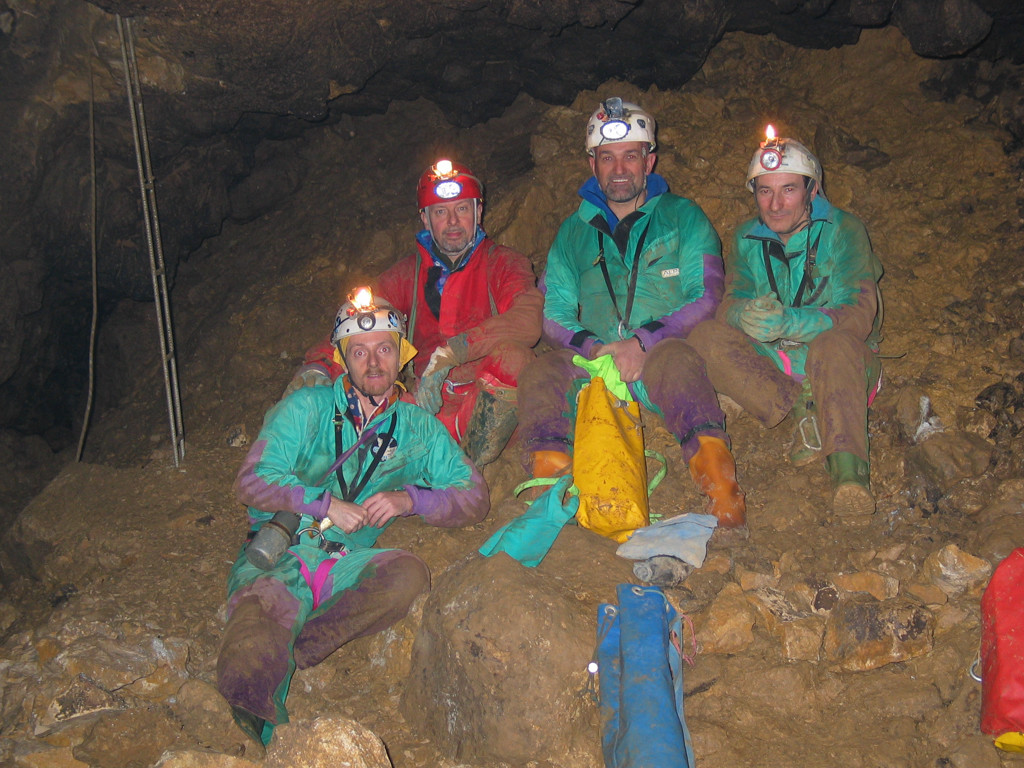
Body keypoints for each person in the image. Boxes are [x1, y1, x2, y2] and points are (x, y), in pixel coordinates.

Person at [218, 289, 489, 745]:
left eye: (384, 349)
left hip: (345, 564)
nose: (374, 362)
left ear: (400, 355)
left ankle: (300, 644)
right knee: (247, 664)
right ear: (344, 360)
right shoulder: (307, 409)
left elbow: (474, 497)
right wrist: (324, 504)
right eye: (359, 353)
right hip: (282, 553)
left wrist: (411, 500)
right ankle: (264, 682)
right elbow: (250, 479)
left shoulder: (417, 427)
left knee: (408, 574)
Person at [517, 97, 746, 528]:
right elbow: (554, 311)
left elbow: (707, 295)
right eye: (607, 158)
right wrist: (596, 346)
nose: (619, 169)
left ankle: (721, 492)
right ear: (593, 164)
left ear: (649, 161)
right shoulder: (572, 233)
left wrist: (645, 341)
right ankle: (550, 498)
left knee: (678, 363)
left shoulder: (684, 217)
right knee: (541, 374)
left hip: (662, 352)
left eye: (630, 156)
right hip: (597, 361)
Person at [290, 159, 543, 466]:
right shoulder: (407, 277)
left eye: (462, 209)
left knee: (515, 359)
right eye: (440, 212)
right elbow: (356, 325)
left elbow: (527, 320)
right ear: (425, 219)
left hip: (485, 399)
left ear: (478, 211)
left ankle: (465, 465)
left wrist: (455, 351)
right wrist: (319, 366)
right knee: (363, 383)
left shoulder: (504, 264)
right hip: (422, 405)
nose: (452, 221)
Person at [686, 128, 883, 516]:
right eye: (764, 191)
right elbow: (729, 304)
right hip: (778, 361)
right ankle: (801, 412)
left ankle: (849, 475)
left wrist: (789, 322)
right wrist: (746, 315)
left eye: (789, 190)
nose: (775, 204)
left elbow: (858, 316)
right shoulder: (746, 237)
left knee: (834, 344)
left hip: (840, 362)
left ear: (812, 190)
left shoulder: (844, 231)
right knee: (705, 336)